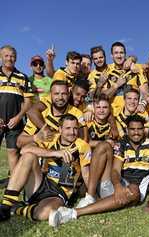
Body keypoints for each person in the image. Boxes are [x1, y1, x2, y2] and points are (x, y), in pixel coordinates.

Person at [49, 115, 149, 227]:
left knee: (133, 189)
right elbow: (115, 170)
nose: (136, 132)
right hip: (116, 184)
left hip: (134, 191)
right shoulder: (122, 143)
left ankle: (73, 213)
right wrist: (118, 186)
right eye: (132, 129)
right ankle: (90, 196)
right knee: (104, 145)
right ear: (127, 130)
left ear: (144, 129)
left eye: (139, 129)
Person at [0, 114, 91, 222]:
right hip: (42, 182)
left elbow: (86, 174)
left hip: (59, 192)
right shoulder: (51, 138)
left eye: (75, 128)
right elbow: (24, 149)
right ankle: (5, 206)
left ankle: (18, 209)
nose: (72, 132)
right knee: (28, 156)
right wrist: (55, 153)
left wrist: (91, 196)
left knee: (44, 213)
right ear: (60, 129)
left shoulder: (83, 146)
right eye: (68, 128)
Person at [17, 80, 87, 147]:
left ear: (68, 94)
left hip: (65, 154)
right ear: (50, 95)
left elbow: (83, 140)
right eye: (56, 94)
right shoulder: (41, 114)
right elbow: (19, 142)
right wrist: (37, 136)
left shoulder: (77, 113)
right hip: (42, 153)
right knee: (28, 154)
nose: (60, 97)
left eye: (64, 94)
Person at [0, 45, 33, 181]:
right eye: (6, 55)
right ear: (1, 57)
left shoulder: (23, 77)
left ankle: (12, 187)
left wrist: (18, 117)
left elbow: (28, 102)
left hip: (15, 122)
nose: (10, 58)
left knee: (13, 152)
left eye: (12, 56)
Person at [103, 42, 147, 114]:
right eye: (116, 53)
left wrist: (142, 104)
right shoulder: (107, 71)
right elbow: (103, 96)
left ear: (125, 54)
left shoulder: (136, 68)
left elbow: (145, 92)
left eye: (121, 53)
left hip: (133, 114)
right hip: (114, 115)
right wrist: (116, 85)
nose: (119, 56)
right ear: (111, 55)